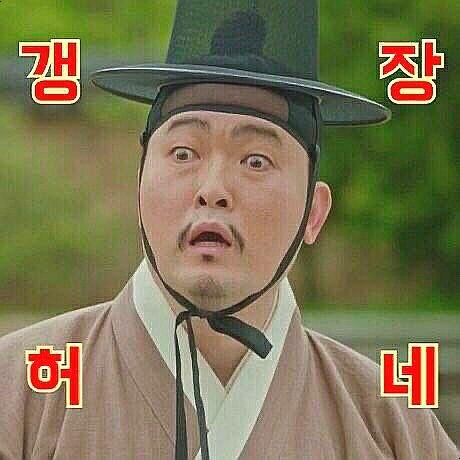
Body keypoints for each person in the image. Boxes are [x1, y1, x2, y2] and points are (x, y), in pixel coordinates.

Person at [0, 1, 458, 459]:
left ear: (313, 213)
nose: (212, 189)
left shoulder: (390, 423)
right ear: (138, 184)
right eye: (183, 154)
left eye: (255, 161)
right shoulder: (20, 390)